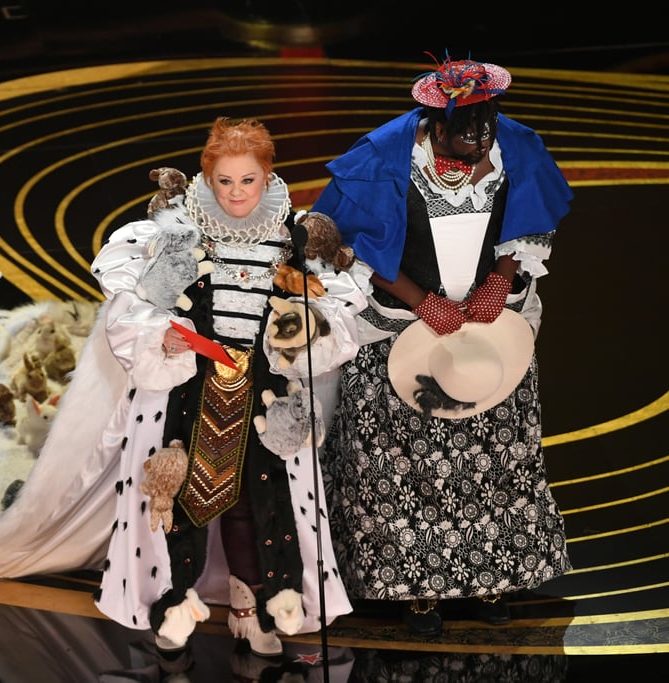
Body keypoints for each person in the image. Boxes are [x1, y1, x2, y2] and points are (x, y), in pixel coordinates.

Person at [310, 53, 574, 636]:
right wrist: (418, 300)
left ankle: (490, 578)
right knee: (399, 459)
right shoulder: (383, 157)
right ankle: (415, 588)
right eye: (465, 127)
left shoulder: (516, 148)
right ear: (433, 121)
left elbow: (533, 221)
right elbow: (343, 243)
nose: (479, 136)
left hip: (487, 329)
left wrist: (501, 280)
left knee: (495, 453)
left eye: (488, 121)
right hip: (401, 325)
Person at [88, 117, 366, 661]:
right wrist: (161, 336)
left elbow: (329, 313)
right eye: (224, 181)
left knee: (256, 504)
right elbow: (147, 304)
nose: (236, 193)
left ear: (268, 177)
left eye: (248, 181)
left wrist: (305, 329)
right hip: (189, 387)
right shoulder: (179, 232)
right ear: (206, 179)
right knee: (180, 500)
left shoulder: (295, 235)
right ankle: (175, 604)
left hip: (263, 391)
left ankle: (250, 609)